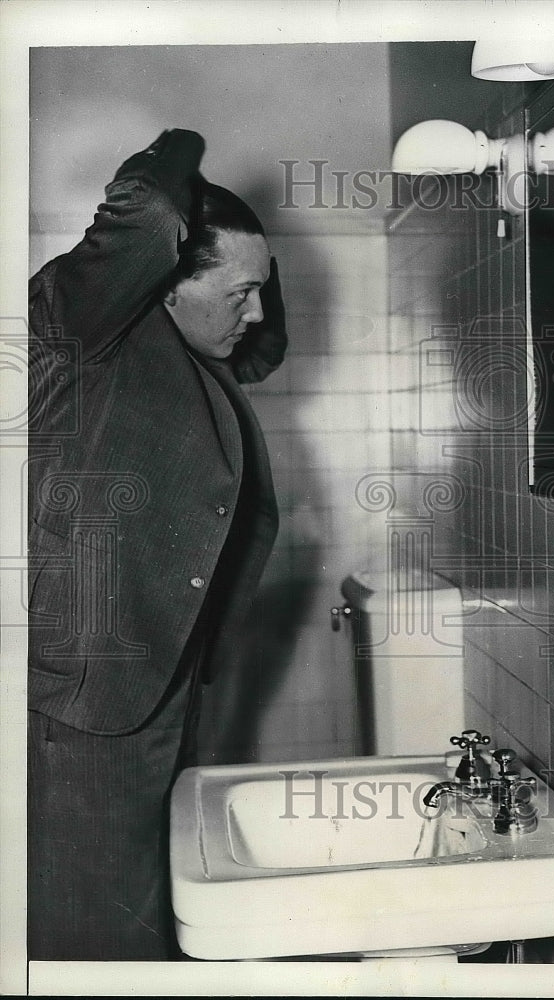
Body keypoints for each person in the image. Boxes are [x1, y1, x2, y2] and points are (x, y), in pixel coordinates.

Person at [26, 129, 286, 960]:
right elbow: (150, 216)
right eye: (241, 293)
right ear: (164, 284)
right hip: (86, 697)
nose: (257, 314)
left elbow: (270, 346)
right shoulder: (85, 331)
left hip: (155, 685)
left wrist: (243, 266)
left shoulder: (198, 358)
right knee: (101, 935)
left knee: (148, 908)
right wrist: (184, 143)